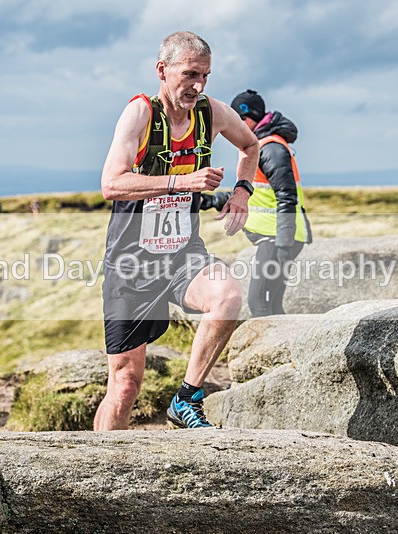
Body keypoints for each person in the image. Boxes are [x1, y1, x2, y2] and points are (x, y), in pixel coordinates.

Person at [96, 31, 259, 430]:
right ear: (162, 70)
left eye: (204, 75)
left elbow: (250, 146)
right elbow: (111, 184)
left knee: (228, 295)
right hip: (133, 264)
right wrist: (181, 182)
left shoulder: (212, 113)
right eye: (189, 74)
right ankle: (96, 462)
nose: (198, 85)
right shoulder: (140, 114)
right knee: (125, 384)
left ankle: (186, 398)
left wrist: (242, 191)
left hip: (182, 255)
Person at [202, 90, 312, 317]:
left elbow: (286, 197)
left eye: (240, 119)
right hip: (275, 236)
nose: (235, 124)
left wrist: (283, 245)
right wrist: (211, 200)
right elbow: (256, 194)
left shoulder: (270, 147)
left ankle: (272, 352)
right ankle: (282, 351)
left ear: (251, 116)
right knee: (270, 305)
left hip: (278, 238)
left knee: (259, 302)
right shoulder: (255, 146)